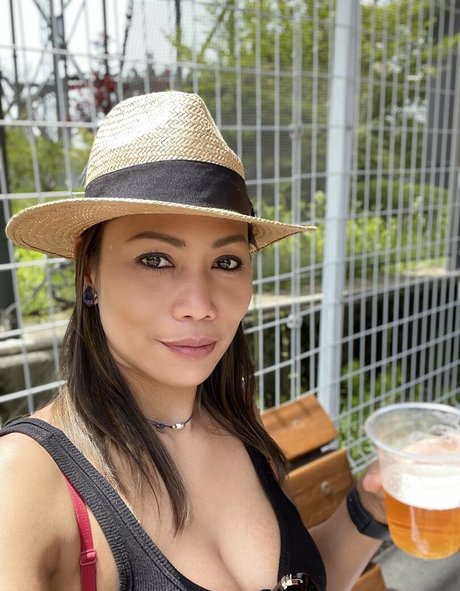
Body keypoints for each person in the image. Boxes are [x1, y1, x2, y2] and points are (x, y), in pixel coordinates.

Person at [0, 91, 389, 591]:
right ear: (89, 268)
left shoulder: (240, 427)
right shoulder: (25, 483)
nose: (200, 304)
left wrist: (369, 510)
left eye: (226, 262)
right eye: (156, 260)